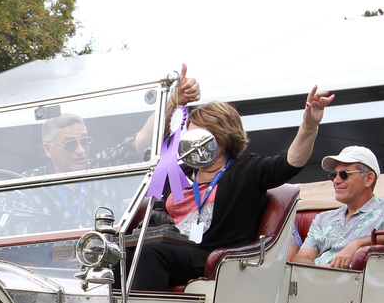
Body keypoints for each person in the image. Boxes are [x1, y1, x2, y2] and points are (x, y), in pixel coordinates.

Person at [129, 82, 335, 291]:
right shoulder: (179, 172)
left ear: (223, 137)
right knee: (116, 254)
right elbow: (147, 145)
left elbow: (291, 162)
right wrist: (175, 101)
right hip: (172, 248)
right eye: (189, 137)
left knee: (148, 253)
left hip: (215, 257)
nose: (192, 145)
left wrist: (309, 126)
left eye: (200, 138)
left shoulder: (246, 171)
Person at [290, 147, 384, 268]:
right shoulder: (322, 218)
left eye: (344, 174)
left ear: (368, 178)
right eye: (334, 175)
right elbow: (301, 258)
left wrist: (358, 243)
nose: (336, 181)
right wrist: (319, 272)